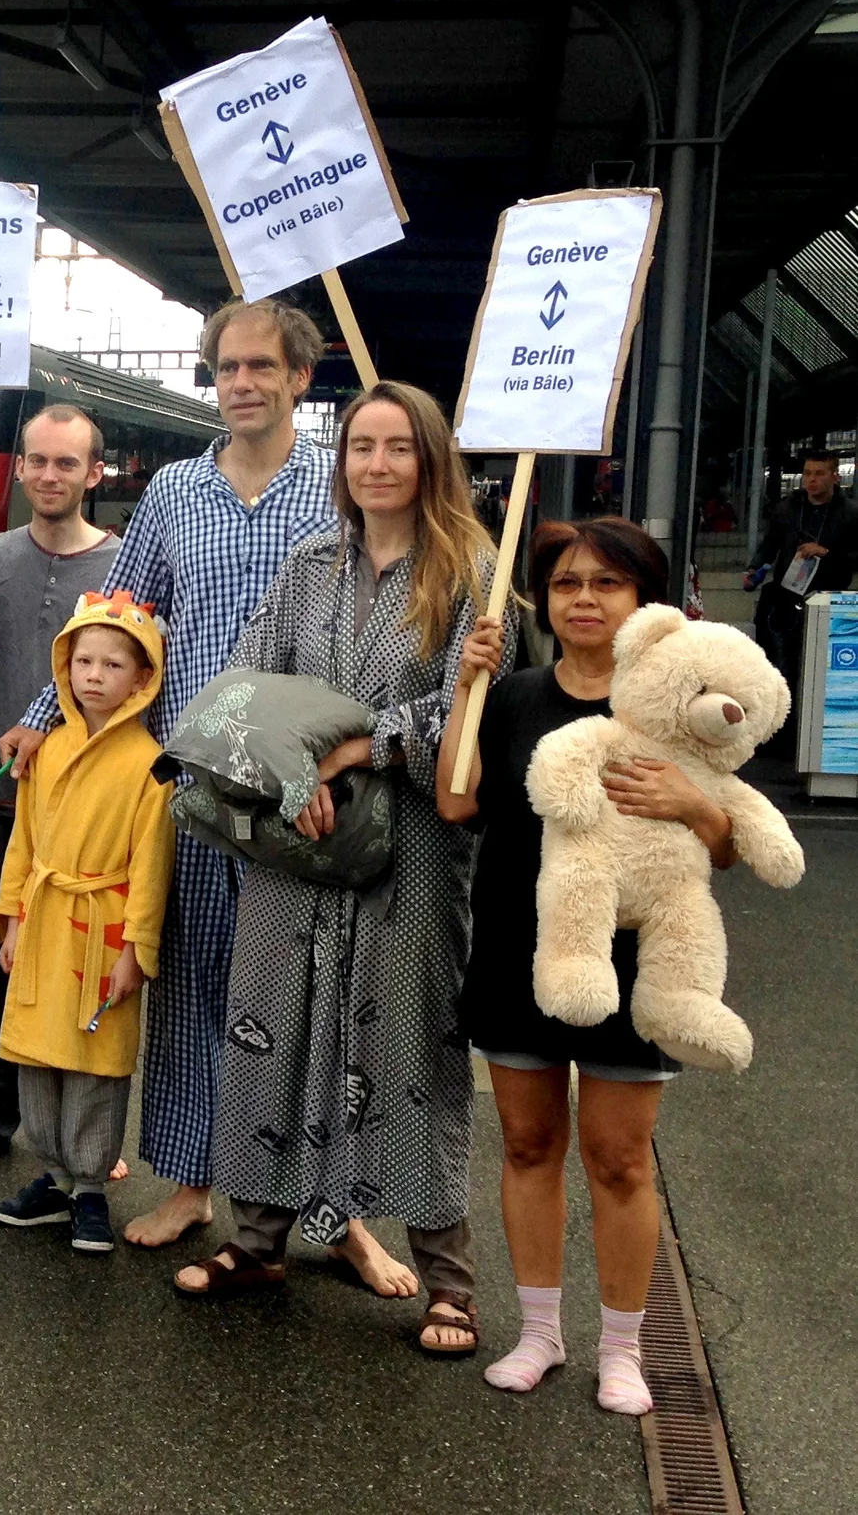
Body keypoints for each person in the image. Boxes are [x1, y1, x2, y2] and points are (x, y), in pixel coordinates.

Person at [0, 298, 340, 1255]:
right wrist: (41, 719)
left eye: (261, 367)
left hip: (297, 778)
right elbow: (119, 606)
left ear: (299, 378)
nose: (241, 384)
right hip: (186, 777)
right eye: (227, 367)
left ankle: (332, 1213)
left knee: (308, 994)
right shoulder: (177, 492)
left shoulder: (334, 487)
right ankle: (191, 1181)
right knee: (189, 983)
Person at [173, 381, 502, 1359]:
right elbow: (245, 682)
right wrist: (286, 770)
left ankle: (447, 1279)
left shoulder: (472, 574)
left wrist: (354, 750)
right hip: (294, 844)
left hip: (407, 853)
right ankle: (258, 1241)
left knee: (405, 1054)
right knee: (269, 1033)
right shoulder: (307, 564)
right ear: (340, 458)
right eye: (360, 445)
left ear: (428, 458)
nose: (375, 464)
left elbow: (470, 714)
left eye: (396, 447)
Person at [438, 518, 733, 1412]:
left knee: (619, 1159)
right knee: (529, 1144)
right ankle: (537, 1334)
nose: (585, 600)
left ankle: (622, 1348)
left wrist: (695, 804)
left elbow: (727, 848)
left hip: (636, 964)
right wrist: (466, 689)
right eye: (566, 584)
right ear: (544, 601)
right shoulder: (516, 693)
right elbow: (457, 802)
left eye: (608, 583)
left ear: (643, 600)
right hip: (516, 951)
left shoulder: (677, 703)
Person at [0, 404, 120, 1162]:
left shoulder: (124, 565)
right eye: (37, 460)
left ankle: (85, 1133)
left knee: (85, 962)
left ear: (94, 474)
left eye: (66, 463)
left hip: (92, 805)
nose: (48, 475)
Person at [0, 594, 175, 1254]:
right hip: (45, 919)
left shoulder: (152, 765)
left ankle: (91, 1186)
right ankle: (55, 1175)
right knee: (38, 1053)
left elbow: (152, 868)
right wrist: (11, 917)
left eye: (113, 664)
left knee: (96, 1061)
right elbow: (24, 842)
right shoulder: (49, 749)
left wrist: (136, 950)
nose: (94, 675)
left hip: (103, 928)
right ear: (64, 666)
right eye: (84, 660)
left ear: (142, 677)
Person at [745, 450, 857, 715]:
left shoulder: (850, 514)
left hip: (827, 599)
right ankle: (776, 730)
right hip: (783, 598)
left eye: (819, 474)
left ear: (835, 477)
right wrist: (754, 568)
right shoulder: (787, 509)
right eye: (807, 473)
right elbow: (770, 544)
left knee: (816, 669)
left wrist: (828, 553)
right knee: (776, 664)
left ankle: (809, 726)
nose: (812, 480)